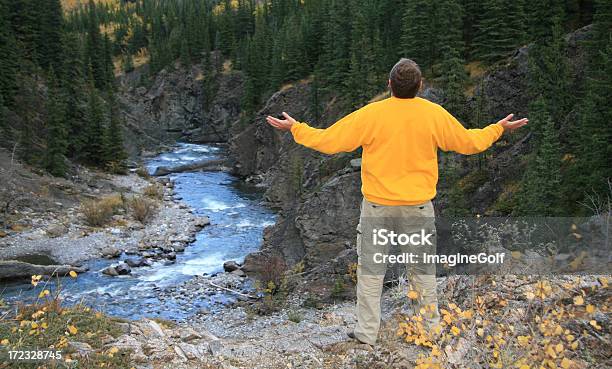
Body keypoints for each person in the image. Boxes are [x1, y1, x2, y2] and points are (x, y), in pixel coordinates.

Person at [266, 58, 528, 345]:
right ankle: (429, 331)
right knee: (422, 273)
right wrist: (498, 129)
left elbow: (330, 141)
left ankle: (367, 333)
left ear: (389, 84)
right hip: (417, 207)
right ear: (420, 86)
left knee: (370, 272)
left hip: (377, 207)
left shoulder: (372, 114)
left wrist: (296, 128)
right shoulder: (433, 114)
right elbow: (469, 142)